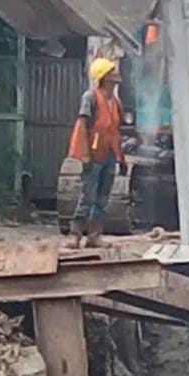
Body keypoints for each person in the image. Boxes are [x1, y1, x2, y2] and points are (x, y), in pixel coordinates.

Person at [67, 57, 128, 248]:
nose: (117, 74)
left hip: (109, 154)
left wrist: (121, 159)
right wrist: (83, 154)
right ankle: (75, 235)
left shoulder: (115, 101)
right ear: (104, 77)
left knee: (102, 198)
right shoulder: (91, 97)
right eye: (112, 72)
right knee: (87, 196)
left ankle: (95, 235)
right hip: (93, 155)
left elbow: (115, 131)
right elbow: (82, 126)